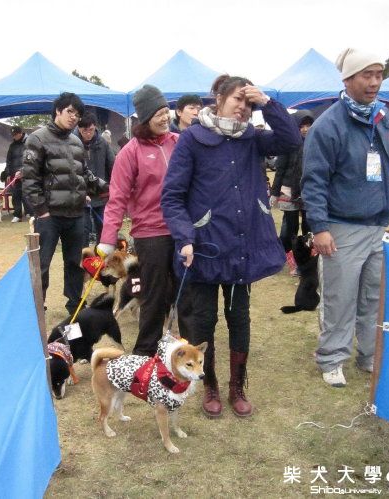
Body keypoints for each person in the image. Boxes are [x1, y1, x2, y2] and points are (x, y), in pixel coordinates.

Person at [161, 74, 302, 418]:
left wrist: (267, 103)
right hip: (205, 247)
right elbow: (173, 195)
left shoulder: (251, 138)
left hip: (242, 247)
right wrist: (184, 236)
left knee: (239, 317)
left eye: (248, 103)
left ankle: (237, 387)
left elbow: (290, 140)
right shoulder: (193, 138)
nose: (243, 108)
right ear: (219, 98)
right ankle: (209, 384)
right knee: (203, 321)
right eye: (238, 99)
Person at [301, 48, 389, 388]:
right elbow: (314, 181)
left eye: (379, 74)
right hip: (342, 226)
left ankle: (369, 355)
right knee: (340, 297)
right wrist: (320, 228)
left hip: (379, 225)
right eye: (367, 75)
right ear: (348, 79)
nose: (375, 82)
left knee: (374, 297)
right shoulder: (328, 125)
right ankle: (332, 358)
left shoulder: (384, 118)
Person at [96, 84, 191, 356]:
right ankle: (145, 353)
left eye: (166, 111)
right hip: (151, 233)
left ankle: (187, 350)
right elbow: (117, 198)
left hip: (182, 230)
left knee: (186, 294)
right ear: (145, 118)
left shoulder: (179, 142)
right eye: (158, 113)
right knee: (154, 296)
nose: (164, 117)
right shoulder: (131, 151)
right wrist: (108, 239)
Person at [22, 93, 107, 315]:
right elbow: (29, 179)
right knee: (42, 264)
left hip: (76, 213)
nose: (73, 117)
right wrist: (41, 211)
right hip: (49, 215)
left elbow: (84, 175)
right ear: (58, 111)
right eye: (70, 112)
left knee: (75, 262)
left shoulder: (76, 141)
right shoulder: (37, 139)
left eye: (77, 114)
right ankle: (36, 308)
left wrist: (107, 188)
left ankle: (75, 305)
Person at [270, 111, 315, 275]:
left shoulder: (317, 142)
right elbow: (280, 169)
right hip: (288, 189)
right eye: (301, 126)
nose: (305, 129)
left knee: (309, 227)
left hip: (310, 189)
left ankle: (307, 260)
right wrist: (274, 192)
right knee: (290, 227)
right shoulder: (288, 143)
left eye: (308, 125)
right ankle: (290, 260)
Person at [75, 112, 115, 245]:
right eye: (84, 130)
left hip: (101, 193)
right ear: (78, 128)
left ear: (95, 127)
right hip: (80, 194)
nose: (88, 133)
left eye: (91, 130)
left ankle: (101, 255)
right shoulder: (71, 143)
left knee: (102, 226)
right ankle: (83, 256)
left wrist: (112, 187)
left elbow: (113, 166)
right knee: (83, 229)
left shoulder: (102, 142)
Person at [3, 126, 32, 223]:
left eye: (15, 134)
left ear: (21, 133)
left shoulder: (29, 142)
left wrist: (23, 171)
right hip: (14, 175)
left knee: (26, 194)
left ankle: (30, 213)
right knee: (15, 195)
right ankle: (17, 215)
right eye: (13, 135)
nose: (14, 137)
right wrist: (8, 173)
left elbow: (31, 159)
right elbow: (8, 160)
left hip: (27, 173)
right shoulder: (12, 146)